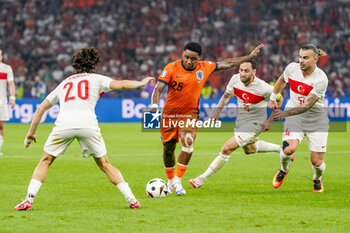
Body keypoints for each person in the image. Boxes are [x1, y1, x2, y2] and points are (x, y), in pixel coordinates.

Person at [14, 47, 154, 210]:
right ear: (94, 66)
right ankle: (132, 200)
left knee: (46, 160)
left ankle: (29, 200)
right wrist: (141, 83)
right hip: (87, 124)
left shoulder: (64, 83)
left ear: (75, 65)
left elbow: (40, 108)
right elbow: (122, 84)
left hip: (64, 125)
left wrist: (31, 133)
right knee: (105, 164)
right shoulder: (97, 78)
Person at [151, 41, 264, 195]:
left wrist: (249, 57)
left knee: (188, 141)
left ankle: (177, 181)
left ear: (199, 59)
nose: (189, 61)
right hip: (169, 114)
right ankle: (170, 182)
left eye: (193, 58)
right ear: (182, 54)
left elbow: (228, 63)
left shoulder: (205, 67)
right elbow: (158, 89)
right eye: (186, 57)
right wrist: (154, 106)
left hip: (189, 113)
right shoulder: (171, 67)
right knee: (168, 148)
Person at [189, 60, 284, 188]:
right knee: (249, 149)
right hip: (241, 121)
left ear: (254, 72)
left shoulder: (264, 87)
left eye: (246, 71)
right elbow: (226, 96)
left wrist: (270, 120)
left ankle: (201, 179)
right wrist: (217, 112)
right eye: (240, 70)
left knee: (226, 148)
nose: (242, 74)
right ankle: (282, 149)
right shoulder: (235, 80)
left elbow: (280, 98)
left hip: (256, 123)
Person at [268, 44, 329, 192]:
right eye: (300, 57)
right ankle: (284, 169)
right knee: (288, 149)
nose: (301, 60)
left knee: (316, 161)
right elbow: (282, 80)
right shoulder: (292, 69)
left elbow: (307, 105)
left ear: (316, 59)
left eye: (306, 58)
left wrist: (284, 114)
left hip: (316, 121)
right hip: (295, 118)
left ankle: (317, 179)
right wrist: (273, 96)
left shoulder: (321, 79)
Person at [0, 49, 16, 156]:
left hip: (1, 102)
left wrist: (12, 97)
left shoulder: (6, 69)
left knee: (1, 126)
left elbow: (11, 84)